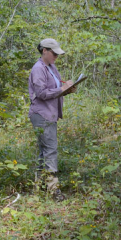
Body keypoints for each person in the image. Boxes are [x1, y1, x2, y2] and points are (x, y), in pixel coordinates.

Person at [28, 38, 77, 200]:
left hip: (49, 114)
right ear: (44, 51)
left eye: (57, 54)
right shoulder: (38, 69)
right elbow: (42, 93)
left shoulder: (51, 67)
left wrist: (67, 90)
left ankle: (38, 187)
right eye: (54, 53)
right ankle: (53, 190)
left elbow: (55, 90)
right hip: (42, 115)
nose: (56, 56)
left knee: (44, 151)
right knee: (50, 150)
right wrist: (62, 88)